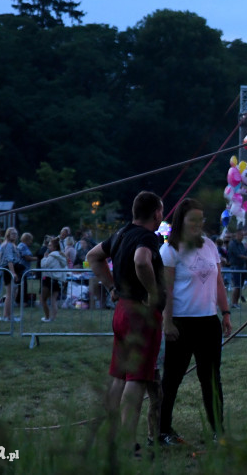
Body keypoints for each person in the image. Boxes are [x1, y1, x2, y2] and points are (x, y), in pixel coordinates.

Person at [87, 191, 166, 458]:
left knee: (118, 376)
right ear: (157, 213)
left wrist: (112, 286)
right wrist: (153, 293)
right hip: (141, 314)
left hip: (121, 311)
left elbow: (93, 255)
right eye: (161, 212)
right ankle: (127, 443)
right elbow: (142, 260)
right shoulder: (146, 237)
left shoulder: (120, 234)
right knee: (138, 378)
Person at [158, 198, 232, 445]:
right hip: (181, 322)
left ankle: (218, 431)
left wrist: (226, 312)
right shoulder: (170, 250)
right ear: (181, 221)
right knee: (172, 379)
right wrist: (166, 323)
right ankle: (163, 430)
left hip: (208, 322)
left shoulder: (210, 246)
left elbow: (219, 281)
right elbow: (166, 290)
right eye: (193, 219)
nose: (198, 224)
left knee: (211, 378)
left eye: (201, 219)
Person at [40, 239, 68, 322]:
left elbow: (44, 265)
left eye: (50, 245)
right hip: (58, 281)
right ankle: (53, 318)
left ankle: (47, 317)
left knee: (43, 299)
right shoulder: (62, 256)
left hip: (49, 279)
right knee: (53, 300)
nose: (48, 247)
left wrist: (44, 257)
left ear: (55, 247)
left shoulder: (52, 256)